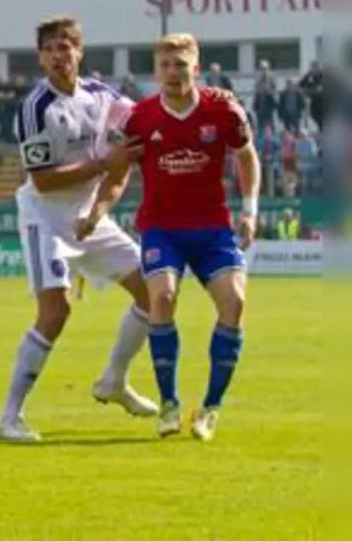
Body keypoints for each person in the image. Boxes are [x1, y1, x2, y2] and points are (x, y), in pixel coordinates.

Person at [0, 16, 156, 443]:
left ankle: (113, 382)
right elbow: (44, 180)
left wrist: (98, 210)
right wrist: (105, 162)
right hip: (45, 217)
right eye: (48, 49)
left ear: (79, 52)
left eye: (64, 47)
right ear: (40, 58)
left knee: (155, 294)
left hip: (90, 217)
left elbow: (132, 145)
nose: (57, 55)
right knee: (55, 313)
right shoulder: (35, 108)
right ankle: (10, 417)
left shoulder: (105, 97)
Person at [97, 32, 259, 441]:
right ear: (156, 71)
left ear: (196, 69)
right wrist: (97, 209)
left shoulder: (223, 110)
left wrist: (250, 210)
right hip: (162, 229)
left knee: (235, 302)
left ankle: (210, 408)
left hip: (212, 229)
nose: (172, 73)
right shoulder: (140, 117)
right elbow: (119, 169)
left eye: (181, 65)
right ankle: (168, 405)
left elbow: (247, 156)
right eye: (165, 65)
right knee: (162, 298)